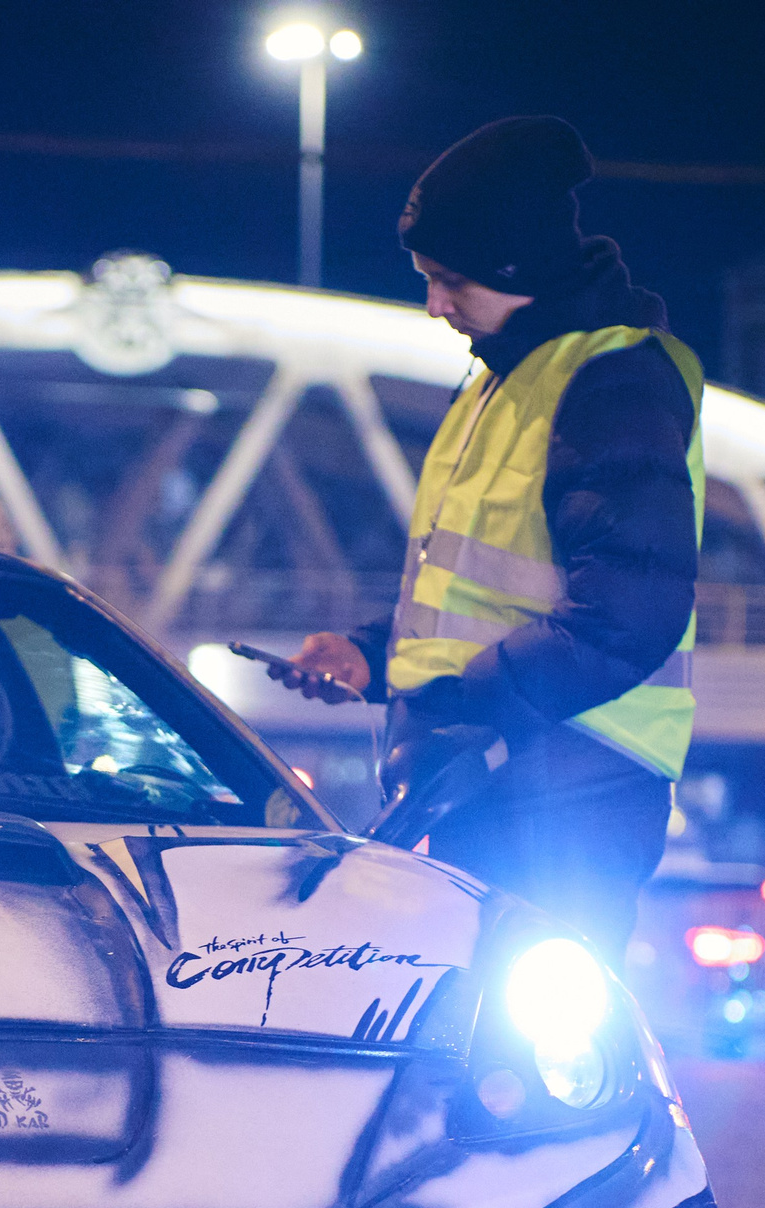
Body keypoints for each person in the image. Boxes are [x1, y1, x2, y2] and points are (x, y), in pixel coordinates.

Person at [273, 115, 700, 957]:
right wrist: (376, 656)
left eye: (453, 281)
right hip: (504, 776)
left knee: (541, 1068)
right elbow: (483, 591)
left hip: (572, 791)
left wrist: (464, 704)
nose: (435, 306)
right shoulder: (505, 380)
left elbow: (626, 615)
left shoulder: (612, 384)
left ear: (520, 268)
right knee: (484, 1059)